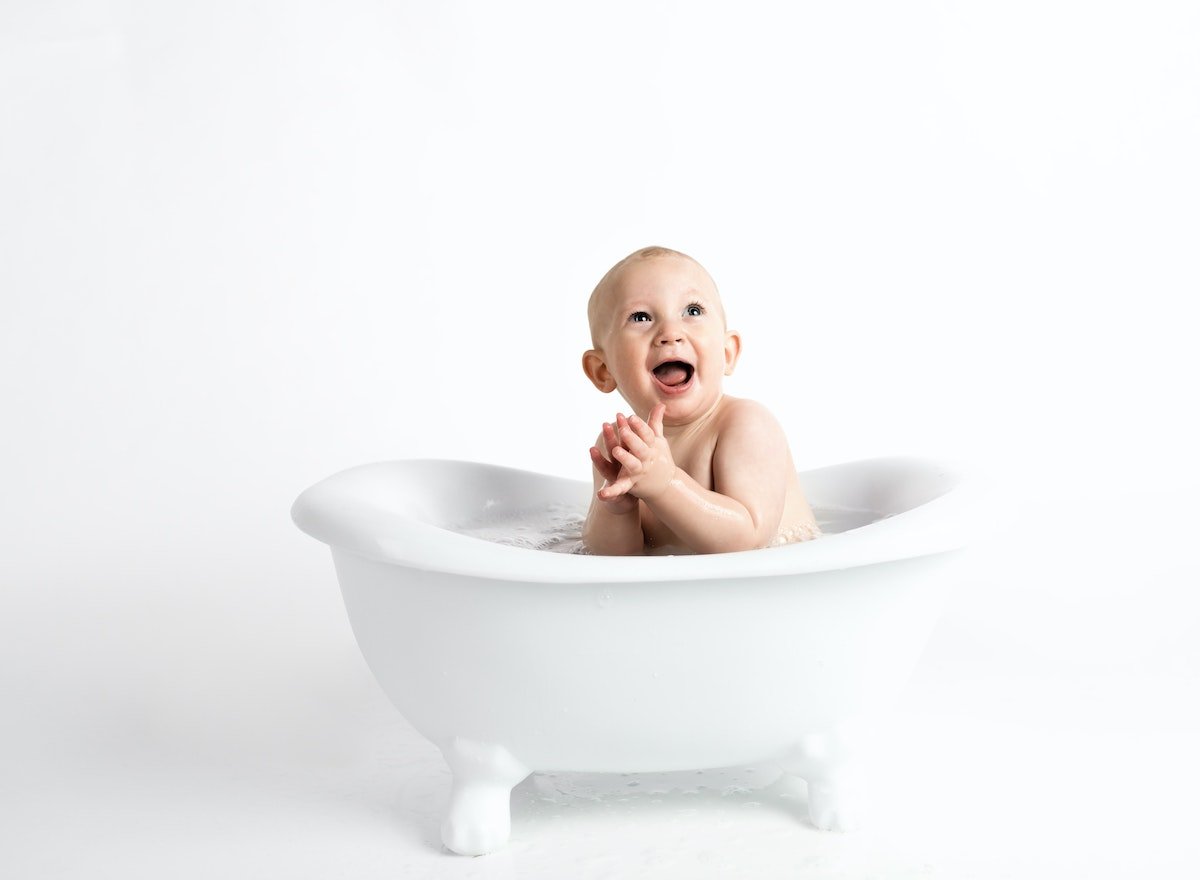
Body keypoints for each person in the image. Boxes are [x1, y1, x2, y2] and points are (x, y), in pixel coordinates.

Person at [581, 246, 820, 555]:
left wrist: (666, 484)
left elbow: (750, 540)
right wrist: (617, 510)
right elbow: (611, 559)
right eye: (641, 317)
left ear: (727, 353)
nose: (670, 332)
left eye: (692, 311)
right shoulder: (619, 446)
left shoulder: (745, 425)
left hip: (779, 587)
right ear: (603, 371)